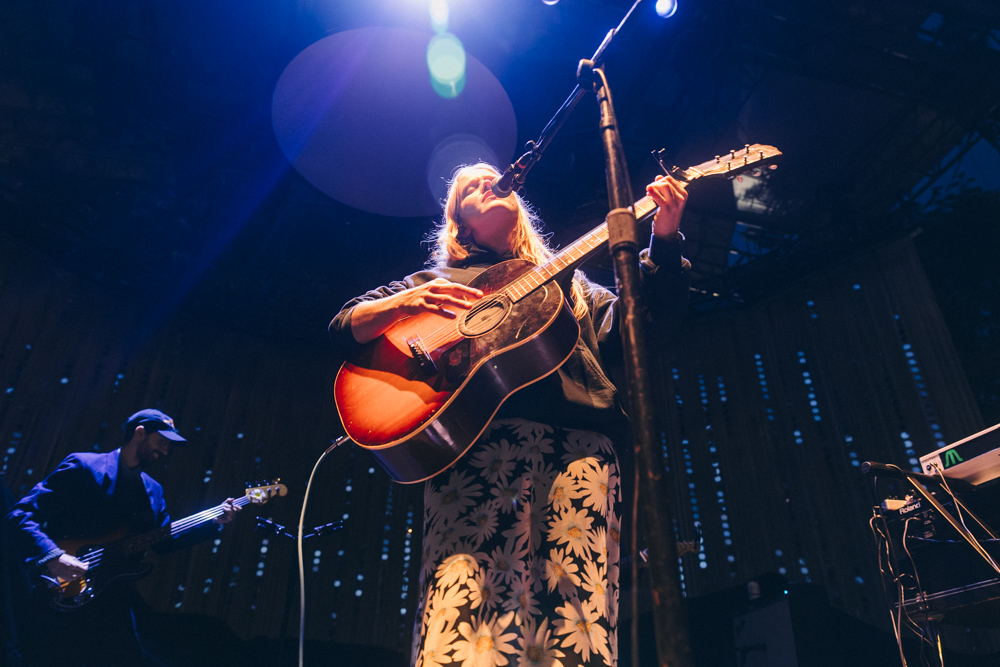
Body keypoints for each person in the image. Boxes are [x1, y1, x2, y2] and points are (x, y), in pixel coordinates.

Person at [328, 164, 691, 667]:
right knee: (465, 615)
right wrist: (407, 300)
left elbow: (640, 331)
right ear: (460, 224)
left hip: (579, 454)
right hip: (475, 454)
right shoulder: (432, 285)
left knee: (573, 619)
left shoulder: (569, 284)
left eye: (492, 178)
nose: (488, 182)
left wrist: (664, 241)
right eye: (470, 187)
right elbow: (345, 327)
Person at [5, 408, 240, 666]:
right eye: (161, 442)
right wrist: (53, 556)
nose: (165, 451)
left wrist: (213, 522)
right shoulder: (84, 466)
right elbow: (20, 514)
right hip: (58, 590)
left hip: (112, 601)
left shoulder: (153, 490)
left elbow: (163, 541)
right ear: (140, 433)